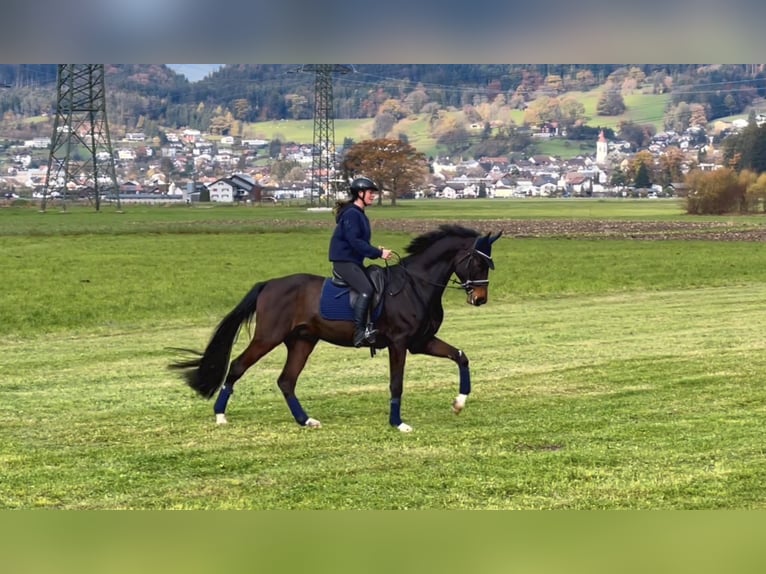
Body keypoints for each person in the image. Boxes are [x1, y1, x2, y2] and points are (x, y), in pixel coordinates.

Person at [329, 176, 393, 347]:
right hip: (344, 262)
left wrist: (373, 250)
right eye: (370, 193)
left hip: (353, 262)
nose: (373, 196)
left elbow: (359, 242)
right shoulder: (352, 214)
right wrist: (378, 253)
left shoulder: (358, 214)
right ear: (360, 193)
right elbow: (354, 242)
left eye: (373, 193)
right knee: (366, 290)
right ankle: (360, 332)